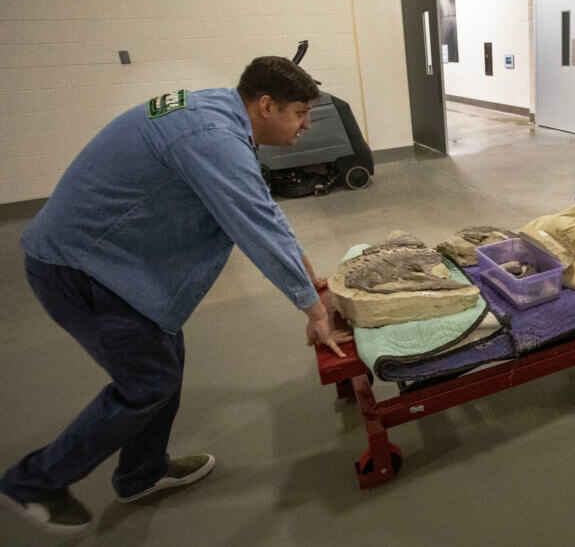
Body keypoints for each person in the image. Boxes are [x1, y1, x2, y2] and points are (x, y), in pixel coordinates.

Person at [0, 57, 347, 536]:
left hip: (109, 260)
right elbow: (256, 227)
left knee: (163, 361)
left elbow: (264, 209)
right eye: (300, 113)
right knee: (147, 382)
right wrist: (313, 309)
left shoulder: (217, 113)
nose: (306, 125)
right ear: (266, 105)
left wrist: (313, 281)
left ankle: (142, 474)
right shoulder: (214, 138)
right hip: (83, 268)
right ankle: (33, 483)